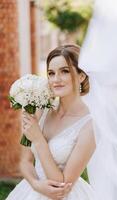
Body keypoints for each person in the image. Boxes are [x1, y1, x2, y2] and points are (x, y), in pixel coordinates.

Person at [6, 44, 96, 200]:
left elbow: (61, 186)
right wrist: (36, 184)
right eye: (51, 73)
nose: (56, 79)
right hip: (30, 191)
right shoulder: (41, 109)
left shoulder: (89, 125)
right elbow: (25, 161)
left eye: (65, 71)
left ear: (81, 76)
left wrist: (39, 139)